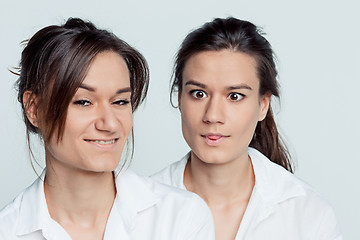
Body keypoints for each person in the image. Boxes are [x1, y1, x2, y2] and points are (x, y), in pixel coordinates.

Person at [0, 18, 214, 240]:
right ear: (34, 109)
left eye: (120, 101)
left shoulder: (180, 217)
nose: (110, 124)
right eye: (84, 102)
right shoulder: (8, 231)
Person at [152, 17, 342, 240]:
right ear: (180, 98)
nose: (213, 115)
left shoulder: (308, 214)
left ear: (263, 105)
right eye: (198, 94)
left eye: (235, 96)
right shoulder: (138, 208)